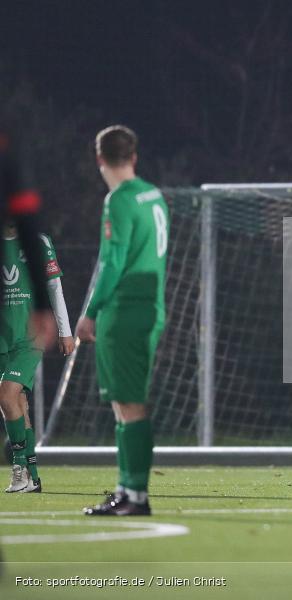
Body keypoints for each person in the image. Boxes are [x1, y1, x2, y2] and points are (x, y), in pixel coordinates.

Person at [78, 125, 168, 516]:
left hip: (126, 310)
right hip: (150, 307)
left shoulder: (118, 201)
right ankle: (125, 490)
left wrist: (91, 311)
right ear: (133, 156)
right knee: (124, 402)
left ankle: (135, 495)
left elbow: (112, 262)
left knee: (129, 404)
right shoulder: (155, 195)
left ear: (100, 159)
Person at [2, 225, 74, 493]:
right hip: (2, 339)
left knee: (6, 396)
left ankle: (19, 467)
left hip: (29, 337)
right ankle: (32, 476)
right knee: (17, 403)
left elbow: (54, 287)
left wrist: (65, 331)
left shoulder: (37, 241)